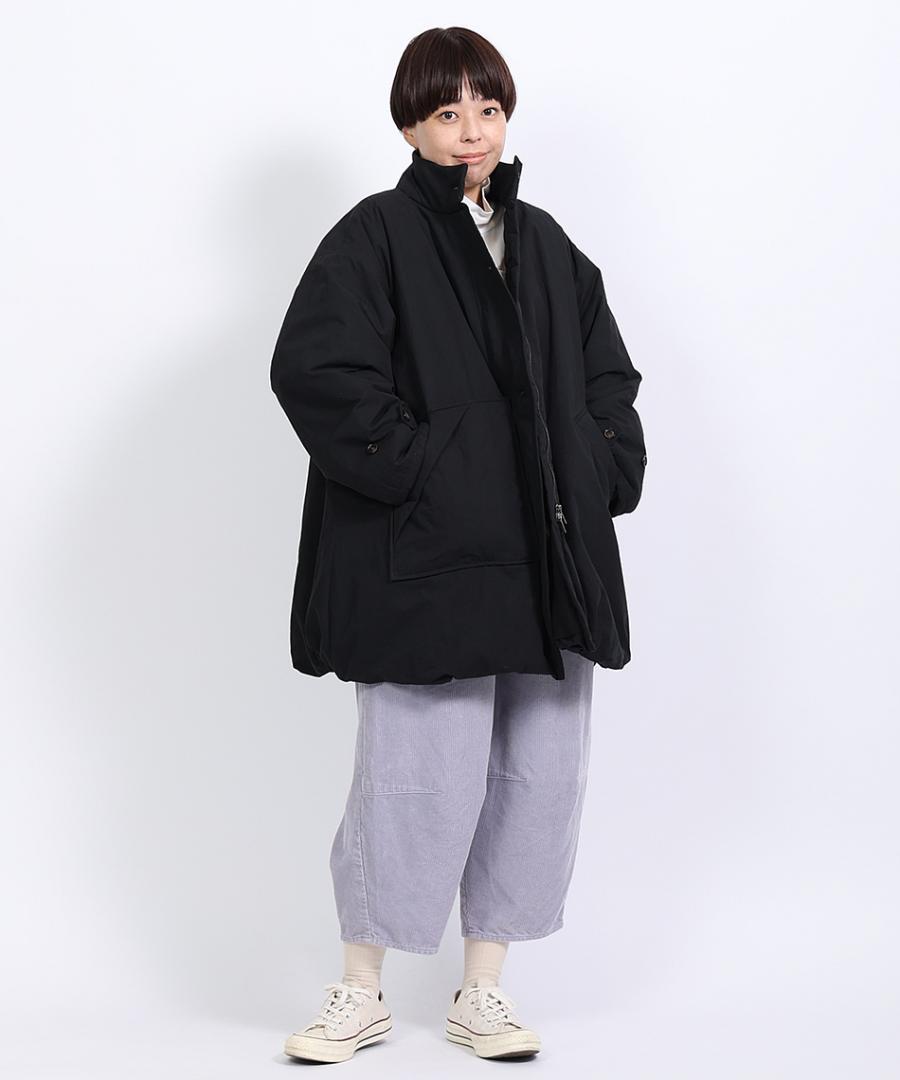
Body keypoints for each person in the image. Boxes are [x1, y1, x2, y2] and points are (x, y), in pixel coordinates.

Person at [270, 26, 647, 1063]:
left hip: (548, 559)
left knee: (537, 776)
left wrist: (600, 466)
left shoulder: (547, 245)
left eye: (488, 109)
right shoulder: (376, 236)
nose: (472, 131)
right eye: (448, 112)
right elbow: (316, 371)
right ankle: (360, 991)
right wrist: (425, 467)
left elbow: (608, 378)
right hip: (429, 560)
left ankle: (483, 991)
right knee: (412, 778)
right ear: (411, 126)